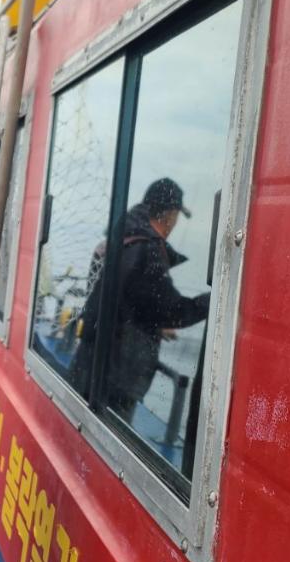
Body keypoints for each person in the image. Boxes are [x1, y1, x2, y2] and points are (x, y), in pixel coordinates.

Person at [68, 177, 211, 421]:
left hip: (87, 366)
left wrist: (153, 323)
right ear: (170, 214)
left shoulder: (117, 240)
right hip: (114, 383)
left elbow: (120, 302)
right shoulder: (146, 251)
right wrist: (213, 301)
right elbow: (173, 311)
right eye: (177, 215)